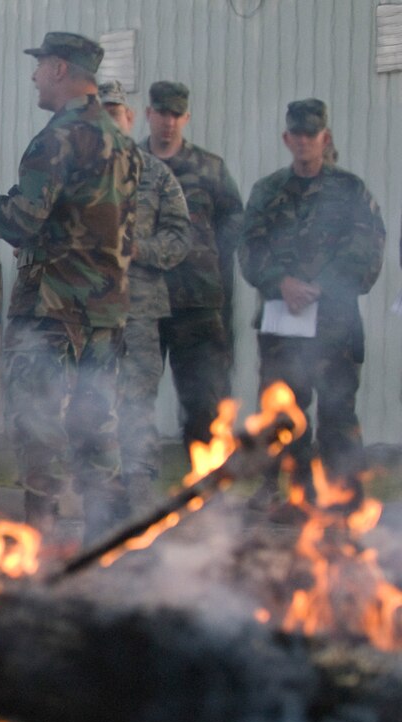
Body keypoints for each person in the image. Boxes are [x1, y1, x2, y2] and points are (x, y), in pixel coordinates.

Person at [0, 32, 141, 540]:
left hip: (52, 311)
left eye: (40, 66)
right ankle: (103, 548)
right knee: (97, 427)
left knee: (38, 424)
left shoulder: (57, 138)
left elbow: (23, 220)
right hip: (107, 310)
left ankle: (37, 550)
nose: (34, 76)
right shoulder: (123, 143)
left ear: (61, 69)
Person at [238, 99, 384, 509]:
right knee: (282, 412)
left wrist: (320, 287)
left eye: (311, 134)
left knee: (338, 413)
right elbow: (249, 248)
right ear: (287, 138)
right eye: (296, 134)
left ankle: (345, 497)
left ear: (326, 138)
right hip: (282, 322)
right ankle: (284, 494)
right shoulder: (267, 191)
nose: (304, 141)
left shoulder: (350, 190)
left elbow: (368, 249)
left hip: (334, 324)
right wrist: (280, 283)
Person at [98, 81, 191, 510]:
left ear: (130, 118)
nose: (108, 121)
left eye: (116, 113)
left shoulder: (155, 173)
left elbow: (180, 237)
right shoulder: (71, 173)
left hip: (139, 309)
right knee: (85, 398)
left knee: (136, 400)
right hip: (85, 311)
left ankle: (138, 490)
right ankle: (93, 489)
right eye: (101, 112)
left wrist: (140, 250)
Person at [141, 81, 244, 452]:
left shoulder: (209, 168)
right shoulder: (129, 165)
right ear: (148, 113)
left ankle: (206, 495)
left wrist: (208, 254)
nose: (167, 122)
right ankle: (133, 495)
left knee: (205, 403)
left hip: (196, 305)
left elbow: (234, 221)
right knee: (133, 402)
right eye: (161, 113)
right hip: (141, 303)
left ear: (185, 117)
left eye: (175, 114)